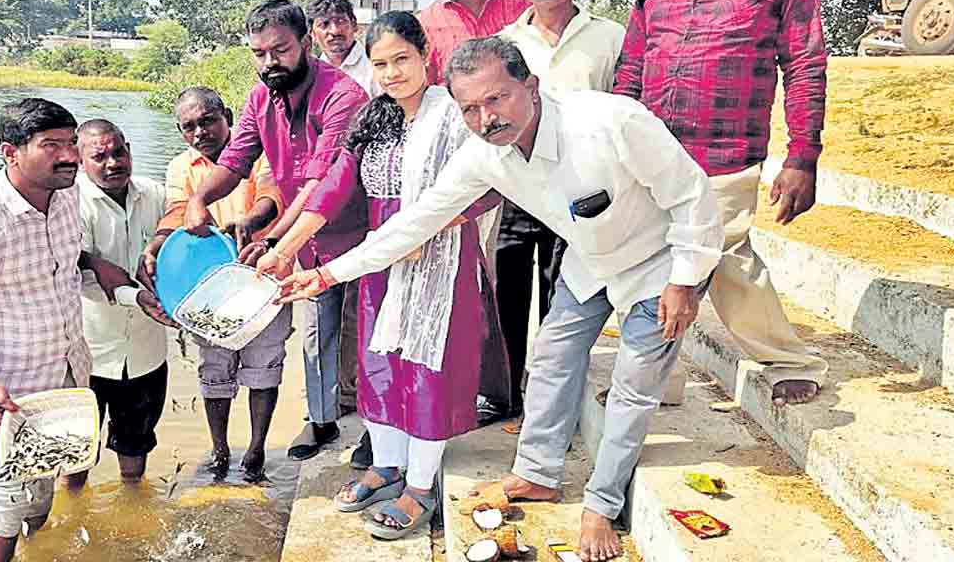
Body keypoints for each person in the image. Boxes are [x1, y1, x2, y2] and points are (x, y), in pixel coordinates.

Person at [279, 38, 722, 561]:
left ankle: (601, 506)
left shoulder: (610, 121)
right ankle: (537, 475)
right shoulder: (483, 155)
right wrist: (328, 274)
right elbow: (414, 223)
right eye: (469, 108)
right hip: (591, 262)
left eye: (497, 99)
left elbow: (693, 195)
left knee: (632, 388)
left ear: (530, 87)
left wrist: (686, 280)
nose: (486, 118)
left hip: (662, 263)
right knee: (553, 361)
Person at [263, 11, 499, 539]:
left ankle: (420, 484)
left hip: (439, 262)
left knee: (427, 370)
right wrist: (284, 248)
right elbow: (333, 189)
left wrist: (436, 226)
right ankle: (388, 465)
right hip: (379, 261)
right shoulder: (373, 120)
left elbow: (494, 181)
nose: (392, 73)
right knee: (379, 364)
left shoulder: (455, 116)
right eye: (381, 64)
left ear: (425, 58)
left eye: (401, 60)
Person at [614, 0, 828, 406]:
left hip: (727, 150)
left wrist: (803, 155)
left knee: (724, 255)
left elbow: (804, 61)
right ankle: (661, 379)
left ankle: (787, 360)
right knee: (654, 264)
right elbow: (632, 68)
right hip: (654, 152)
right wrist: (614, 140)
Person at [0, 98, 150, 562]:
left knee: (40, 494)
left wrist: (114, 279)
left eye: (70, 143)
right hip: (7, 395)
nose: (69, 156)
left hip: (65, 379)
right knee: (3, 507)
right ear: (11, 152)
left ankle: (36, 552)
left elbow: (68, 267)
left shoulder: (67, 199)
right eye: (52, 146)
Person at [183, 0, 370, 462]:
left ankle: (375, 428)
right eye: (259, 53)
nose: (270, 62)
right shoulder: (259, 97)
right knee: (316, 332)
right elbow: (234, 162)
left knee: (369, 332)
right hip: (306, 240)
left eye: (280, 50)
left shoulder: (343, 94)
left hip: (360, 231)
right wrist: (198, 198)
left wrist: (272, 242)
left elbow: (319, 184)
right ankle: (323, 420)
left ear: (305, 43)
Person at [493, 0, 628, 425]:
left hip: (582, 195)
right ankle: (509, 396)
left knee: (565, 302)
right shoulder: (503, 44)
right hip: (517, 192)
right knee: (509, 297)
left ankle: (556, 405)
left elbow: (626, 114)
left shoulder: (610, 38)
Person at [416, 0, 530, 427]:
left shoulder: (522, 6)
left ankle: (535, 385)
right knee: (481, 288)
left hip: (531, 162)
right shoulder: (429, 25)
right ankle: (493, 392)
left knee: (538, 280)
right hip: (470, 177)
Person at [143, 86, 290, 482]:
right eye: (189, 126)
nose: (199, 133)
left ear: (227, 115)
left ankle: (256, 449)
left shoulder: (259, 152)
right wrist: (156, 245)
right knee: (214, 369)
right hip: (208, 287)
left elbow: (272, 199)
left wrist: (249, 224)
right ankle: (220, 449)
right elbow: (177, 211)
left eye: (207, 121)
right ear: (180, 131)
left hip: (263, 277)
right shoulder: (181, 167)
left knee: (265, 367)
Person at [75, 118, 174, 483]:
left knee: (135, 450)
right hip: (90, 354)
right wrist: (139, 297)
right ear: (80, 160)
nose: (112, 163)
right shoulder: (73, 204)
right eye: (99, 157)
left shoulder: (156, 195)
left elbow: (179, 246)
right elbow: (81, 277)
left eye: (118, 152)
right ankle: (73, 519)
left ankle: (131, 514)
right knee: (76, 457)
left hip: (147, 353)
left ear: (129, 150)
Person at [309, 0, 377, 98]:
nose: (335, 31)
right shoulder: (310, 76)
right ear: (312, 34)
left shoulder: (375, 68)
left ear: (354, 24)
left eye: (340, 21)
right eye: (324, 24)